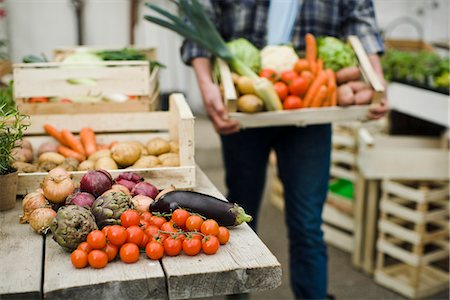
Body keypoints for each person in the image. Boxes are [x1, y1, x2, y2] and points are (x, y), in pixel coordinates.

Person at [180, 0, 388, 298]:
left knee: (307, 225)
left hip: (312, 106)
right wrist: (206, 82)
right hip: (243, 103)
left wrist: (375, 78)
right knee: (238, 218)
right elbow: (200, 16)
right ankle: (238, 294)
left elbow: (360, 17)